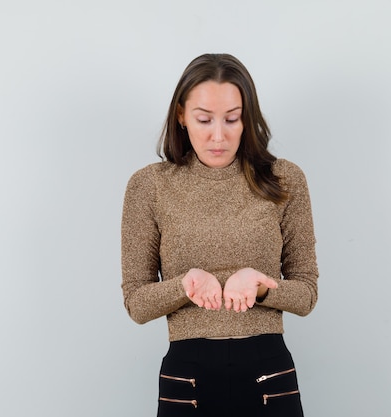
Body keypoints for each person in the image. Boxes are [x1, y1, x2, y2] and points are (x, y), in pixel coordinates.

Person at [121, 53, 319, 417]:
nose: (218, 135)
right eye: (203, 119)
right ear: (181, 115)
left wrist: (261, 285)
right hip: (188, 377)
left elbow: (306, 294)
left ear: (248, 118)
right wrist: (185, 285)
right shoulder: (149, 186)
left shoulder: (284, 179)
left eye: (232, 119)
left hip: (268, 374)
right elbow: (136, 302)